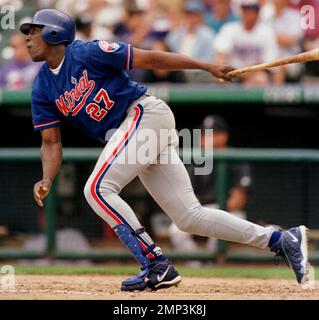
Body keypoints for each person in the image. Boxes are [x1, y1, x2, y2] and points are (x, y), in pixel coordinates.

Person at [21, 8, 312, 292]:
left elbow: (152, 58)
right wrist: (47, 178)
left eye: (33, 31)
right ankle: (280, 240)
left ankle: (154, 263)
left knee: (97, 189)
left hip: (144, 114)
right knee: (188, 217)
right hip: (131, 133)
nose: (27, 38)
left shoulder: (87, 52)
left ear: (53, 32)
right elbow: (51, 142)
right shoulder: (42, 86)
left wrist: (206, 66)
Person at [169, 115, 251, 256]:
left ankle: (214, 265)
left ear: (223, 137)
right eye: (203, 133)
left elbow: (239, 199)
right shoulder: (196, 159)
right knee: (176, 231)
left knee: (219, 231)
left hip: (229, 210)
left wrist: (215, 215)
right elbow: (187, 193)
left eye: (211, 134)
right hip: (201, 209)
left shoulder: (236, 158)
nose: (204, 137)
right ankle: (197, 266)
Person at [214, 0, 283, 86]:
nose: (248, 14)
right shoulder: (230, 29)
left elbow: (269, 61)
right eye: (246, 10)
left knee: (261, 78)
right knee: (219, 75)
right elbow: (221, 54)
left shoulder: (266, 32)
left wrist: (248, 72)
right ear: (241, 12)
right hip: (233, 72)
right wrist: (225, 70)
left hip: (256, 72)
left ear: (257, 14)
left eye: (252, 11)